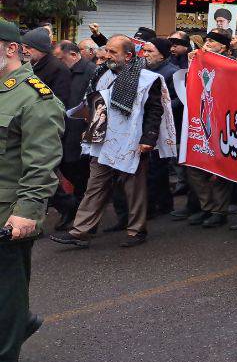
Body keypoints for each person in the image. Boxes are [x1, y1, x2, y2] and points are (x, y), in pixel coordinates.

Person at [50, 35, 177, 249]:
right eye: (106, 50)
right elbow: (95, 104)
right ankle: (80, 232)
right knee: (95, 186)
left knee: (134, 189)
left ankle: (136, 230)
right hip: (102, 140)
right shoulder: (102, 74)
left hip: (131, 142)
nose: (106, 55)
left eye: (112, 52)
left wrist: (148, 138)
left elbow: (155, 111)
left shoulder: (147, 79)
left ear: (128, 56)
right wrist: (88, 129)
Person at [0, 19, 66, 362]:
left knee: (5, 285)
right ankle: (19, 321)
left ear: (11, 49)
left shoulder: (35, 97)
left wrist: (27, 211)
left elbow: (41, 163)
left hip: (8, 208)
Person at [21, 28, 71, 105]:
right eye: (22, 47)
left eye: (28, 47)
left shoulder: (59, 69)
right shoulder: (28, 65)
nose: (23, 51)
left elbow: (60, 102)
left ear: (41, 48)